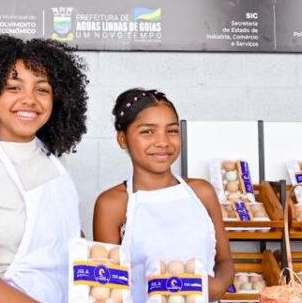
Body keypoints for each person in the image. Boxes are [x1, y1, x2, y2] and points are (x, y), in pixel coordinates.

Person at [0, 34, 90, 303]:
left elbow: (69, 241)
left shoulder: (55, 162)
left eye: (42, 90)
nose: (30, 100)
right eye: (14, 88)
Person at [93, 89, 235, 302]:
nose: (163, 142)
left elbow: (224, 261)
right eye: (148, 132)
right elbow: (107, 287)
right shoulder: (112, 204)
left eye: (172, 131)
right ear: (122, 139)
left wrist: (217, 287)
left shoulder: (202, 193)